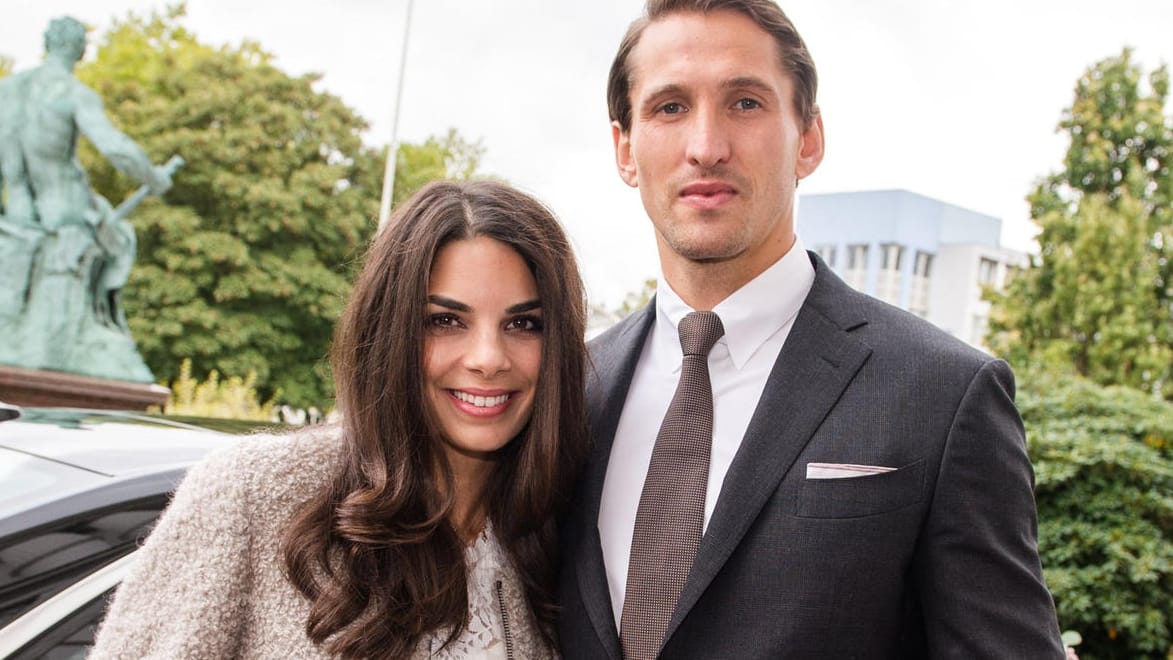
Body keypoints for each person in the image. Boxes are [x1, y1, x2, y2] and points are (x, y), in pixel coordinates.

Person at [558, 1, 1068, 658]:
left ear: (809, 140)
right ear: (625, 150)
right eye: (669, 107)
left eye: (744, 103)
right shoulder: (567, 391)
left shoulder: (944, 395)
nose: (706, 146)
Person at [90, 180, 588, 659]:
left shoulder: (556, 540)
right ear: (390, 331)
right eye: (444, 321)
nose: (488, 358)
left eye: (524, 324)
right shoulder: (255, 494)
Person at [0, 16, 174, 381]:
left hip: (21, 208)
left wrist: (20, 201)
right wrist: (153, 176)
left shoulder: (9, 90)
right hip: (66, 208)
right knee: (121, 240)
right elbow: (115, 149)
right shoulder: (73, 94)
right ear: (80, 49)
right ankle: (91, 333)